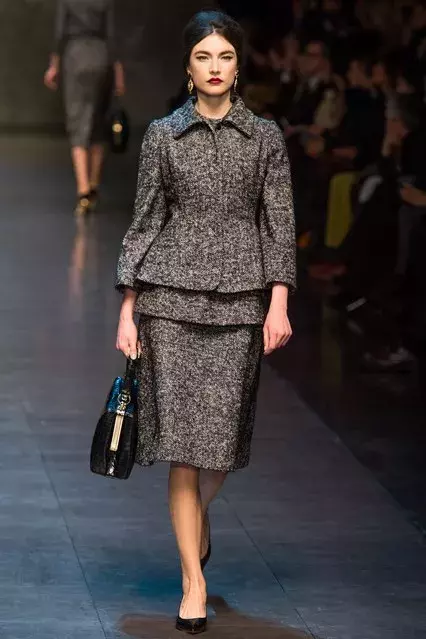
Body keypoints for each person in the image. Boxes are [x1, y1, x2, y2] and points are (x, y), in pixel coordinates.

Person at [114, 10, 296, 634]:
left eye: (225, 56)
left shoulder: (265, 137)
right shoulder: (164, 135)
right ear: (187, 67)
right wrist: (128, 307)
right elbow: (145, 220)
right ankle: (193, 581)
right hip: (168, 301)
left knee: (220, 442)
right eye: (203, 56)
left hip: (242, 300)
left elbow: (279, 223)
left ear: (238, 65)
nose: (215, 67)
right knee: (182, 451)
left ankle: (197, 518)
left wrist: (279, 301)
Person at [44, 0, 125, 215]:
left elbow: (59, 33)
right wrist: (118, 72)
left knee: (77, 121)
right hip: (102, 56)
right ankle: (94, 186)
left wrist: (54, 66)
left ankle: (83, 191)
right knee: (98, 123)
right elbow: (111, 35)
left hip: (76, 56)